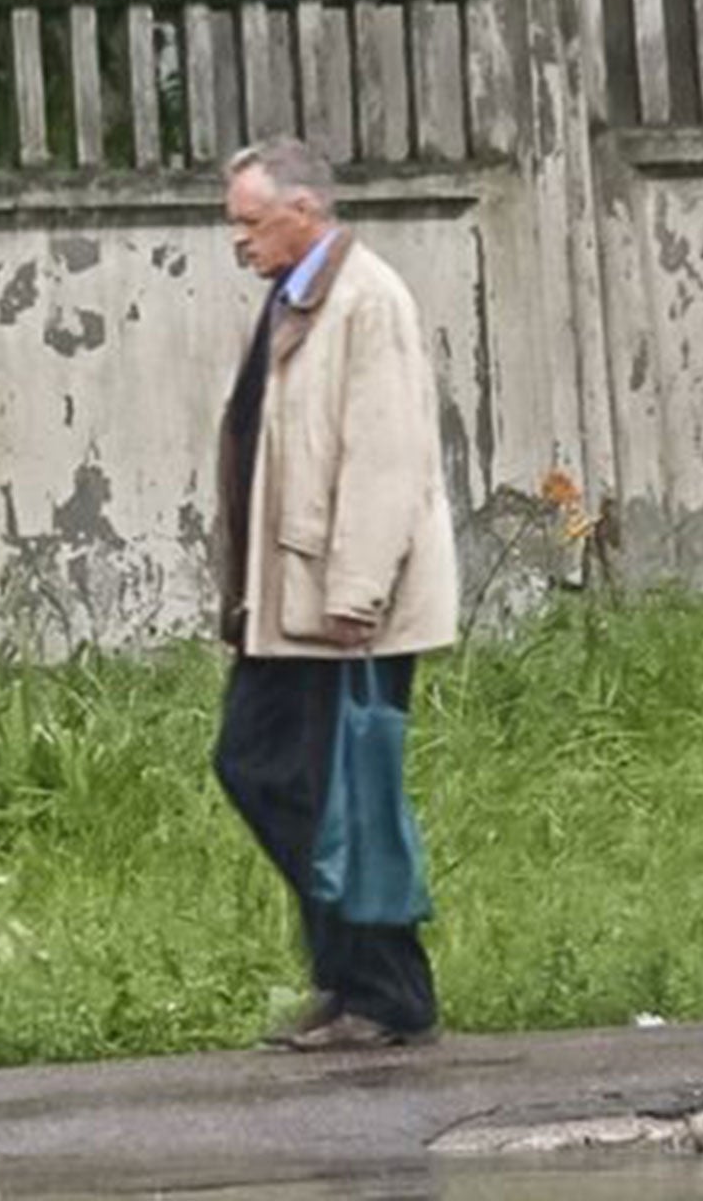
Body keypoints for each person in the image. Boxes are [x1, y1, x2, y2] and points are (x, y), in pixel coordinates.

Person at [211, 134, 459, 1052]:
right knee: (268, 769)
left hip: (343, 607)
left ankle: (386, 994)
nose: (237, 240)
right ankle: (358, 979)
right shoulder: (296, 296)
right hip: (291, 600)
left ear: (304, 212)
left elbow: (388, 456)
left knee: (325, 786)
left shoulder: (365, 299)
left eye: (248, 221)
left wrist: (356, 591)